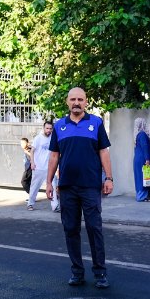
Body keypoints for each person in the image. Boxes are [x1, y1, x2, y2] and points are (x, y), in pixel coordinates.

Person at [46, 87, 113, 288]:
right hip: (67, 186)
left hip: (91, 186)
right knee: (71, 229)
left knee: (94, 228)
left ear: (85, 102)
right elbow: (54, 156)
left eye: (80, 99)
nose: (77, 102)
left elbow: (104, 152)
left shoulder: (96, 123)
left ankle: (100, 272)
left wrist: (108, 178)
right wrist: (48, 182)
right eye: (73, 99)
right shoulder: (59, 126)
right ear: (67, 102)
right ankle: (77, 271)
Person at [28, 121, 53, 210]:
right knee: (35, 186)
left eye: (50, 128)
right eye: (47, 128)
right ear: (43, 128)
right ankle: (30, 204)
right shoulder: (38, 138)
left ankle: (55, 206)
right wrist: (32, 163)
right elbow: (32, 151)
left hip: (49, 167)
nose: (48, 130)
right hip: (38, 167)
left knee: (52, 185)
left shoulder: (52, 138)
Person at [133, 118, 150, 202]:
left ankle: (140, 195)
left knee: (139, 177)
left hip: (137, 159)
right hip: (142, 159)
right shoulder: (142, 134)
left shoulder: (136, 135)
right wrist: (147, 159)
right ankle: (142, 196)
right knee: (143, 177)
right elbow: (144, 147)